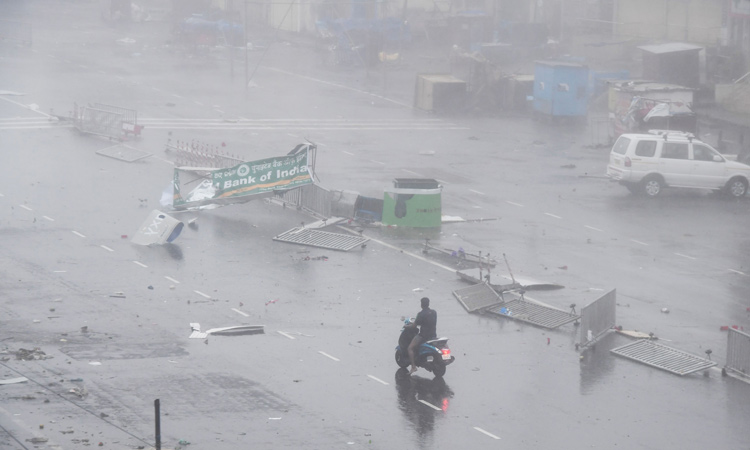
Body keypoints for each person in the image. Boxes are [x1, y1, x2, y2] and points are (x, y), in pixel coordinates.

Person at [407, 297, 437, 374]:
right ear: (428, 304)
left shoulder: (421, 314)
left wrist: (407, 326)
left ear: (421, 304)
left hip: (423, 336)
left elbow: (414, 326)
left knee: (410, 348)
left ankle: (413, 367)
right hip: (433, 335)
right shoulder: (434, 312)